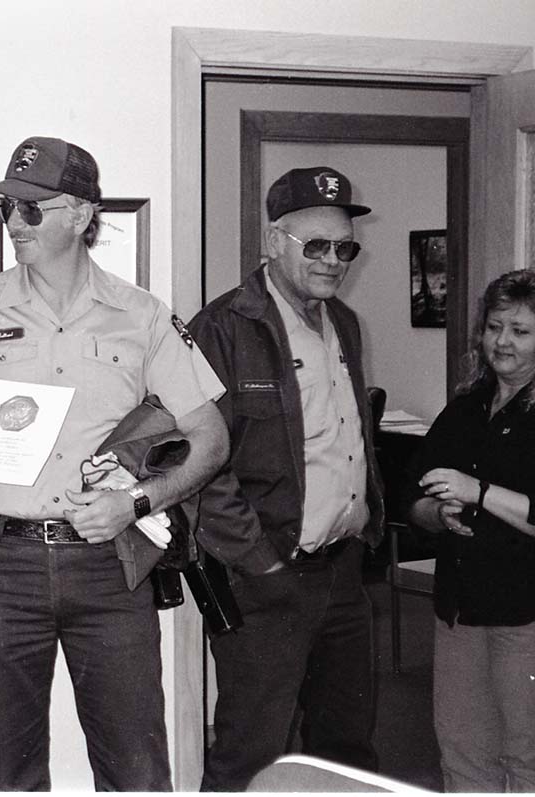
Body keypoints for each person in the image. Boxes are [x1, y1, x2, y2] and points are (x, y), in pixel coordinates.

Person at [0, 136, 229, 791]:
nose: (14, 222)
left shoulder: (142, 316)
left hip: (107, 566)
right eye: (7, 207)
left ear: (83, 215)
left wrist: (136, 502)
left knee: (136, 771)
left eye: (32, 208)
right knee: (9, 772)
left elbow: (212, 439)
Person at [188, 166, 385, 791]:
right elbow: (200, 463)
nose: (332, 261)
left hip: (343, 571)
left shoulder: (343, 323)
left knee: (345, 751)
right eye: (316, 245)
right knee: (253, 754)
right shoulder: (222, 327)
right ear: (275, 240)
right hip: (267, 578)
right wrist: (261, 565)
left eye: (345, 249)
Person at [406, 268, 535, 792]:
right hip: (459, 610)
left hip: (525, 616)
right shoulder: (465, 407)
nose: (502, 341)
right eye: (494, 327)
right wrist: (436, 514)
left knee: (526, 756)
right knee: (462, 753)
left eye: (521, 331)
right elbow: (414, 501)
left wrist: (478, 491)